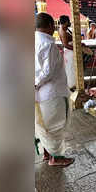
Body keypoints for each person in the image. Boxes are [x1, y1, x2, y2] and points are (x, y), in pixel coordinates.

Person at [35, 12, 74, 167]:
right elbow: (48, 72)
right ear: (51, 26)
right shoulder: (48, 44)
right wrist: (35, 83)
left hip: (40, 94)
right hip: (51, 93)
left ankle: (47, 153)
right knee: (55, 125)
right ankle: (56, 158)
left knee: (44, 124)